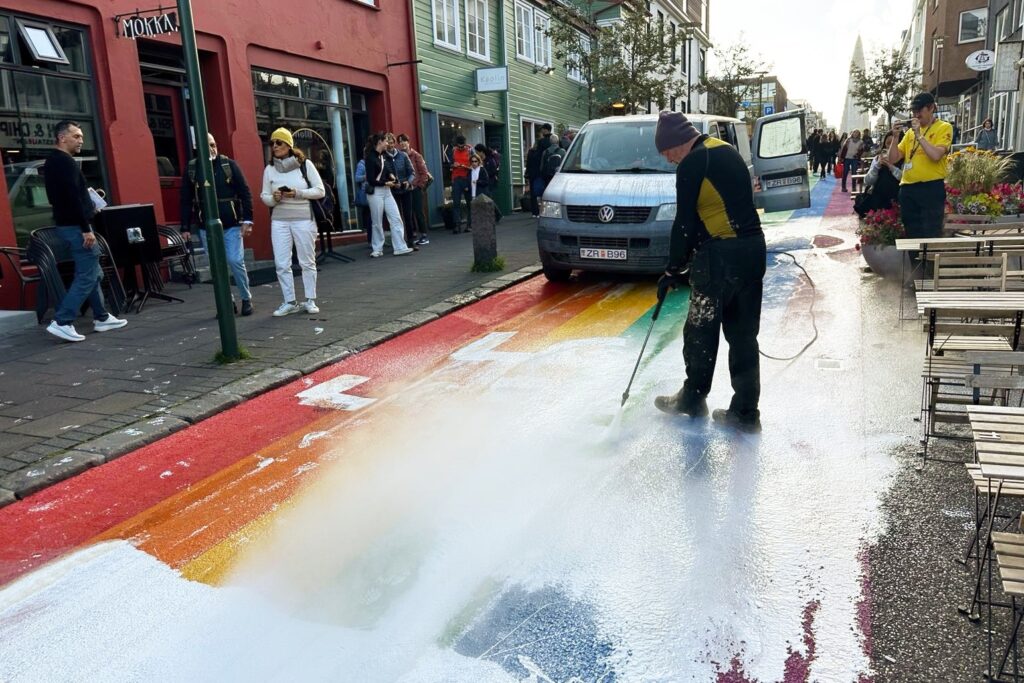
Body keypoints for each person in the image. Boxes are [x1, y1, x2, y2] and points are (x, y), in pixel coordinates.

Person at [652, 111, 766, 433]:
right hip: (753, 250)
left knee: (701, 329)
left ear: (675, 145)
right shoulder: (725, 150)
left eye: (667, 153)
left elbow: (685, 223)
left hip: (720, 258)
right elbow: (721, 209)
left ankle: (692, 397)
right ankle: (746, 413)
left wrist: (673, 268)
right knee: (743, 335)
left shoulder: (692, 163)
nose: (670, 161)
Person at [42, 120, 127, 342]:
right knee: (87, 274)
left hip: (67, 225)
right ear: (62, 138)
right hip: (76, 228)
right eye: (77, 136)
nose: (82, 140)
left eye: (81, 136)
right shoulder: (65, 163)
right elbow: (72, 198)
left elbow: (63, 198)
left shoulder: (53, 162)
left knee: (93, 272)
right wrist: (86, 228)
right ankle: (62, 321)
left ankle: (101, 317)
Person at [179, 133, 255, 316]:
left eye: (213, 144)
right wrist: (185, 227)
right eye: (207, 146)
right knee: (216, 266)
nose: (212, 149)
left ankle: (246, 298)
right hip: (206, 226)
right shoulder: (192, 169)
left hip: (232, 223)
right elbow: (185, 199)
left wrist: (248, 220)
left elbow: (245, 192)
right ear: (198, 148)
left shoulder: (229, 165)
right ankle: (227, 302)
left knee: (235, 261)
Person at [260, 127, 325, 316]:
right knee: (281, 263)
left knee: (307, 261)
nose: (275, 146)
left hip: (303, 219)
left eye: (279, 142)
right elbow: (264, 195)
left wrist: (297, 193)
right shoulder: (269, 169)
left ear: (289, 145)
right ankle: (289, 301)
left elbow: (320, 190)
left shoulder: (305, 165)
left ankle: (310, 300)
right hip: (279, 220)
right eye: (272, 143)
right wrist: (274, 198)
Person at [887, 92, 954, 254]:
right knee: (912, 234)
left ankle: (929, 274)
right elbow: (893, 158)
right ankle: (915, 275)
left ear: (931, 108)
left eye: (920, 110)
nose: (916, 115)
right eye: (914, 111)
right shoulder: (909, 133)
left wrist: (919, 135)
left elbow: (936, 155)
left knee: (930, 233)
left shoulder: (944, 127)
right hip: (908, 189)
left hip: (930, 188)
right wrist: (895, 138)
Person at [364, 132, 415, 257]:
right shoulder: (370, 157)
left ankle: (400, 247)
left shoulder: (382, 156)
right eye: (385, 141)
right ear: (380, 142)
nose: (388, 143)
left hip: (386, 191)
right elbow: (371, 179)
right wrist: (387, 183)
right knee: (377, 221)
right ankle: (377, 249)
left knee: (396, 217)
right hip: (375, 192)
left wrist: (391, 176)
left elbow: (386, 170)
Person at [854, 130, 903, 218]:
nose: (891, 147)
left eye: (894, 144)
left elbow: (903, 178)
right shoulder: (878, 159)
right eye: (888, 143)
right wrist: (877, 166)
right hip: (878, 200)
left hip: (897, 199)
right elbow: (867, 181)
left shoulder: (904, 159)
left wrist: (891, 166)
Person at [384, 133, 417, 249]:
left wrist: (408, 182)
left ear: (395, 143)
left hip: (406, 189)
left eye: (392, 143)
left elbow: (412, 172)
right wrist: (393, 184)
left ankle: (411, 242)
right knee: (396, 218)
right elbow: (383, 175)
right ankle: (399, 243)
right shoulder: (383, 158)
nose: (390, 145)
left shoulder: (403, 155)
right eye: (388, 143)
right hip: (392, 191)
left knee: (408, 216)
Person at [400, 133, 432, 245]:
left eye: (404, 140)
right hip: (406, 189)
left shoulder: (416, 155)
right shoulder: (400, 156)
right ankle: (412, 234)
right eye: (400, 141)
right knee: (408, 213)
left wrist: (420, 186)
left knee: (418, 212)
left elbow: (424, 173)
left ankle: (424, 235)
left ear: (408, 142)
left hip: (416, 188)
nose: (402, 143)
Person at [448, 135, 474, 232]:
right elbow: (449, 164)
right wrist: (452, 165)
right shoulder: (453, 151)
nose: (460, 148)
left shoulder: (470, 150)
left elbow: (475, 164)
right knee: (456, 203)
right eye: (459, 146)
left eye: (462, 146)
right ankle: (457, 225)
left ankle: (469, 225)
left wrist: (465, 166)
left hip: (467, 178)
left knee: (469, 202)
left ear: (465, 144)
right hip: (456, 179)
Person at [525, 133, 553, 217]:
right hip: (539, 174)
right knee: (541, 192)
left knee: (533, 193)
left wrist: (527, 173)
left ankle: (534, 212)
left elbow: (528, 164)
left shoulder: (530, 152)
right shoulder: (541, 153)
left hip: (531, 174)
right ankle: (542, 211)